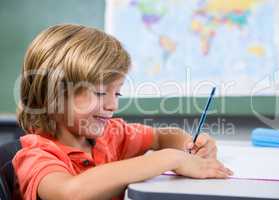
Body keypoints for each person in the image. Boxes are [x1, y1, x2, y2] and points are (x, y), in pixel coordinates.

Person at [13, 24, 232, 200]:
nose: (113, 105)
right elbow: (70, 192)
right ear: (53, 95)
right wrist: (169, 159)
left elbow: (161, 136)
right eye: (100, 93)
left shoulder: (110, 135)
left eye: (117, 94)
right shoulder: (36, 156)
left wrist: (190, 147)